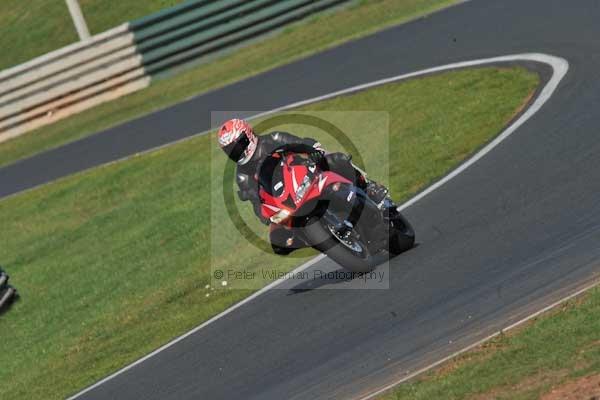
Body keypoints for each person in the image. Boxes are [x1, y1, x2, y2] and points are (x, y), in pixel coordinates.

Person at [217, 118, 389, 253]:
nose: (237, 152)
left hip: (307, 174)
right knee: (279, 241)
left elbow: (301, 143)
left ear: (249, 134)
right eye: (231, 150)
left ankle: (368, 186)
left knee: (335, 159)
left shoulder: (273, 139)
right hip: (287, 201)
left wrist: (313, 149)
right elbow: (256, 201)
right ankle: (323, 241)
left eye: (238, 145)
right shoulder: (242, 176)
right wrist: (266, 217)